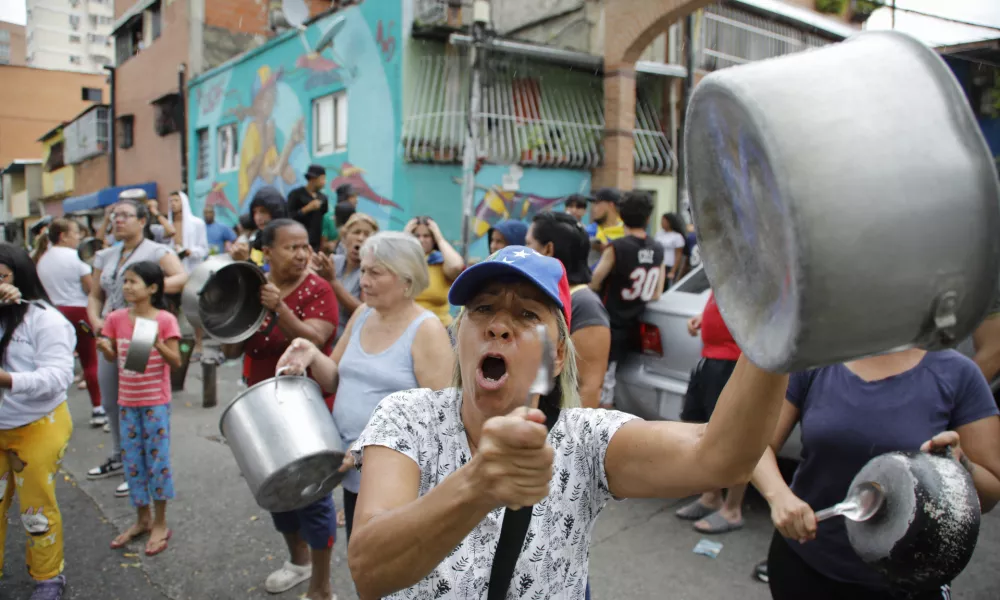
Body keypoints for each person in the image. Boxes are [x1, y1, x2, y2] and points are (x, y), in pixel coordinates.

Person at [341, 245, 791, 599]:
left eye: (527, 315)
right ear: (457, 333)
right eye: (482, 308)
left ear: (556, 356)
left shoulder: (584, 441)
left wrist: (777, 322)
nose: (499, 325)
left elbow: (722, 458)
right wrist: (477, 485)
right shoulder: (407, 416)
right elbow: (368, 572)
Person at [752, 348, 1000, 600]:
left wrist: (961, 465)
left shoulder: (958, 373)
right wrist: (779, 496)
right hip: (806, 565)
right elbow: (755, 447)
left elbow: (991, 493)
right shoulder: (817, 357)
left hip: (908, 582)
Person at [279, 231, 455, 541]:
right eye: (362, 270)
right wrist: (311, 354)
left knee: (388, 572)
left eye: (375, 272)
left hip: (396, 483)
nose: (363, 280)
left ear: (406, 279)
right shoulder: (362, 314)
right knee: (361, 564)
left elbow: (443, 419)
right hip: (352, 476)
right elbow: (334, 377)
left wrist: (371, 443)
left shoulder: (426, 330)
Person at [219, 219, 339, 600]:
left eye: (306, 246)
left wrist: (279, 308)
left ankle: (322, 586)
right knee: (275, 489)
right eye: (291, 247)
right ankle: (298, 561)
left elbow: (315, 338)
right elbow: (231, 349)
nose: (302, 254)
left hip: (306, 409)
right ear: (266, 252)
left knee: (314, 496)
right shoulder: (252, 287)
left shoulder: (318, 289)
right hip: (259, 407)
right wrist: (233, 311)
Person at [85, 197, 187, 499]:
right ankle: (122, 457)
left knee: (144, 395)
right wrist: (95, 321)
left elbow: (181, 278)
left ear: (142, 221)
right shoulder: (105, 255)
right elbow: (94, 295)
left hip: (142, 328)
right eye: (115, 215)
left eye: (126, 215)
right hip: (111, 327)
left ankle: (142, 467)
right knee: (115, 397)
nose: (118, 220)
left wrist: (145, 289)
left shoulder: (156, 251)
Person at [0, 243, 76, 600]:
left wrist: (8, 380)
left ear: (20, 276)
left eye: (1, 275)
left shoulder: (44, 319)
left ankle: (48, 576)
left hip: (39, 425)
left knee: (35, 505)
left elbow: (58, 377)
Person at [97, 261, 181, 557]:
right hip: (127, 402)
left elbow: (176, 362)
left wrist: (158, 344)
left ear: (153, 288)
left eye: (133, 282)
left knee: (157, 462)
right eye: (125, 282)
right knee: (132, 461)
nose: (127, 287)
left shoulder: (165, 319)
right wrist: (106, 349)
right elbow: (113, 357)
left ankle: (160, 522)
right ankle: (141, 518)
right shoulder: (116, 318)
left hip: (155, 403)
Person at [674, 292, 747, 533]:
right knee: (698, 426)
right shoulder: (730, 263)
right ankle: (711, 495)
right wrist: (705, 317)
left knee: (736, 435)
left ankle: (732, 509)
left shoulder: (763, 263)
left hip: (735, 360)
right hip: (710, 356)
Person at [525, 211, 609, 408]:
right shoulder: (546, 298)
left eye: (529, 244)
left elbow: (589, 387)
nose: (524, 251)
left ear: (548, 249)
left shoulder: (585, 305)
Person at [590, 191, 665, 408]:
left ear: (621, 216)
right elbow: (657, 292)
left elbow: (595, 281)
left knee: (603, 385)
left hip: (610, 324)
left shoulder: (617, 247)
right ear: (648, 218)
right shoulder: (657, 249)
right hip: (637, 324)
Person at [36, 218, 104, 426]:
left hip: (53, 312)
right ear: (63, 236)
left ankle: (51, 411)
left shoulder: (42, 259)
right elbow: (91, 289)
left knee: (55, 361)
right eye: (75, 233)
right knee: (90, 359)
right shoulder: (75, 258)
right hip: (78, 311)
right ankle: (98, 407)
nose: (78, 237)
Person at [312, 212, 378, 342]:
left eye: (366, 234)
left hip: (348, 340)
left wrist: (332, 281)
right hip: (320, 334)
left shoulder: (373, 272)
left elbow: (365, 312)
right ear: (344, 237)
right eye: (356, 232)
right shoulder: (332, 262)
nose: (360, 238)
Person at [407, 216, 464, 327]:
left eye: (426, 236)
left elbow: (457, 266)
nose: (421, 240)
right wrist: (404, 236)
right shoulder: (404, 262)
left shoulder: (441, 262)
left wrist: (439, 238)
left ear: (433, 239)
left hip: (440, 327)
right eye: (417, 236)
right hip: (407, 328)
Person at [230, 186, 287, 268]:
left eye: (263, 211)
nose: (258, 218)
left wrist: (246, 261)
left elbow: (275, 277)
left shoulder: (289, 242)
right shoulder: (258, 241)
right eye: (255, 212)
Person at [288, 165, 329, 252]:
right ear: (313, 179)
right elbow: (289, 217)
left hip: (316, 245)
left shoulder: (323, 198)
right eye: (322, 179)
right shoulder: (296, 195)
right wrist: (307, 208)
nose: (325, 182)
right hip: (297, 242)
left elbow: (324, 221)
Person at [585, 187, 625, 267]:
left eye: (597, 203)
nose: (593, 209)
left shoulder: (627, 233)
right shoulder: (588, 232)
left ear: (611, 205)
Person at [656, 212, 686, 287]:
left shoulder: (677, 236)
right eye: (661, 220)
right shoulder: (659, 234)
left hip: (669, 266)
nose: (662, 223)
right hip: (659, 264)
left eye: (664, 221)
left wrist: (673, 271)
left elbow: (678, 255)